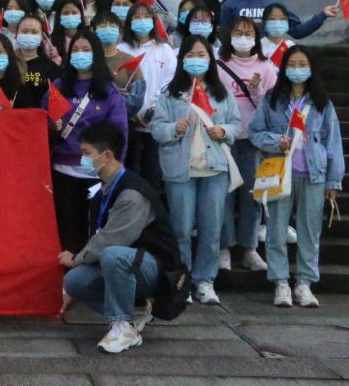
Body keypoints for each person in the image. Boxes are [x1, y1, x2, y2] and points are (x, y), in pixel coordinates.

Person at [60, 122, 182, 354]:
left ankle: (123, 325)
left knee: (113, 255)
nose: (82, 159)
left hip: (158, 270)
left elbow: (111, 240)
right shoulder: (105, 189)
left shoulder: (131, 193)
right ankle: (125, 318)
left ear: (107, 156)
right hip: (130, 263)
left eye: (87, 153)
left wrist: (76, 259)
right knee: (74, 281)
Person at [249, 45, 344, 307]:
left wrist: (334, 180)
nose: (297, 70)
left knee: (310, 231)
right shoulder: (272, 100)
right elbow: (255, 132)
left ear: (311, 68)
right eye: (292, 65)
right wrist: (275, 141)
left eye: (303, 65)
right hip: (281, 173)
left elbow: (333, 141)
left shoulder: (322, 103)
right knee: (277, 230)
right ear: (284, 69)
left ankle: (304, 283)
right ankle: (280, 282)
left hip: (314, 175)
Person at [151, 35, 242, 305]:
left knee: (211, 228)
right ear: (182, 60)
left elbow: (237, 125)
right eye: (190, 55)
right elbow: (157, 129)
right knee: (180, 227)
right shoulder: (171, 94)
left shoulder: (221, 93)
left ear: (210, 59)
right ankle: (183, 280)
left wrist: (223, 130)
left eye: (201, 55)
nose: (196, 60)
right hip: (180, 170)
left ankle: (205, 280)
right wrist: (174, 128)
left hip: (215, 170)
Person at [43, 30, 128, 253]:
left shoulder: (108, 91)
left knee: (96, 230)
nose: (80, 54)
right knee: (67, 231)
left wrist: (116, 173)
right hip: (63, 173)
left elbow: (119, 134)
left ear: (96, 54)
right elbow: (41, 125)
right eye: (76, 50)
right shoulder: (58, 86)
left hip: (97, 173)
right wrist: (51, 127)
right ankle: (69, 273)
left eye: (86, 49)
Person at [216, 17, 278, 272]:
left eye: (248, 33)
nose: (243, 37)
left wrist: (257, 92)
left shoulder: (266, 68)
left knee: (253, 194)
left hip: (253, 141)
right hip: (223, 139)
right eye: (238, 32)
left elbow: (274, 108)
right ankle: (224, 247)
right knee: (224, 195)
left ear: (256, 37)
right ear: (229, 35)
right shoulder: (218, 65)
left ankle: (250, 248)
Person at [119, 2, 176, 190]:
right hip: (128, 122)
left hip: (156, 123)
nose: (142, 21)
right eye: (137, 17)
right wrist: (132, 111)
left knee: (153, 176)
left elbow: (170, 82)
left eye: (146, 16)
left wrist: (154, 108)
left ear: (153, 21)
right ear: (129, 22)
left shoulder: (164, 49)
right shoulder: (122, 49)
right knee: (130, 174)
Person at [15, 14, 62, 103]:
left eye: (34, 32)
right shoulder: (7, 63)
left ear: (42, 37)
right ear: (16, 34)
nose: (29, 35)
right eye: (24, 31)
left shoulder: (51, 68)